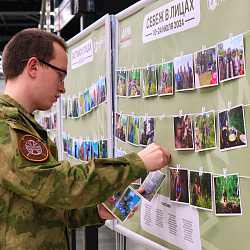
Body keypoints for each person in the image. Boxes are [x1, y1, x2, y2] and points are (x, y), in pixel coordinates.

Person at [0, 28, 171, 249]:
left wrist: (96, 210)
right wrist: (137, 163)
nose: (62, 88)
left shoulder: (23, 124)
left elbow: (38, 207)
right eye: (60, 75)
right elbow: (61, 186)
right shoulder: (6, 126)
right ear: (33, 67)